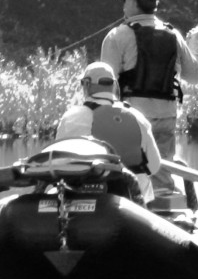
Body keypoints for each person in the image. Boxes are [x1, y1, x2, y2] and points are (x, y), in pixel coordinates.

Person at [99, 0, 198, 193]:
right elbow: (194, 76)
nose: (123, 5)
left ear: (133, 2)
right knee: (161, 174)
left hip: (132, 118)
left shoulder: (117, 36)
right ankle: (163, 198)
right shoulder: (173, 34)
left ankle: (130, 200)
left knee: (128, 173)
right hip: (166, 117)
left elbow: (105, 84)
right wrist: (194, 44)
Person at [55, 62, 161, 204]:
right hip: (132, 202)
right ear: (114, 86)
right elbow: (154, 166)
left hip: (82, 197)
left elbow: (58, 162)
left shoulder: (71, 118)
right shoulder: (138, 118)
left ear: (87, 85)